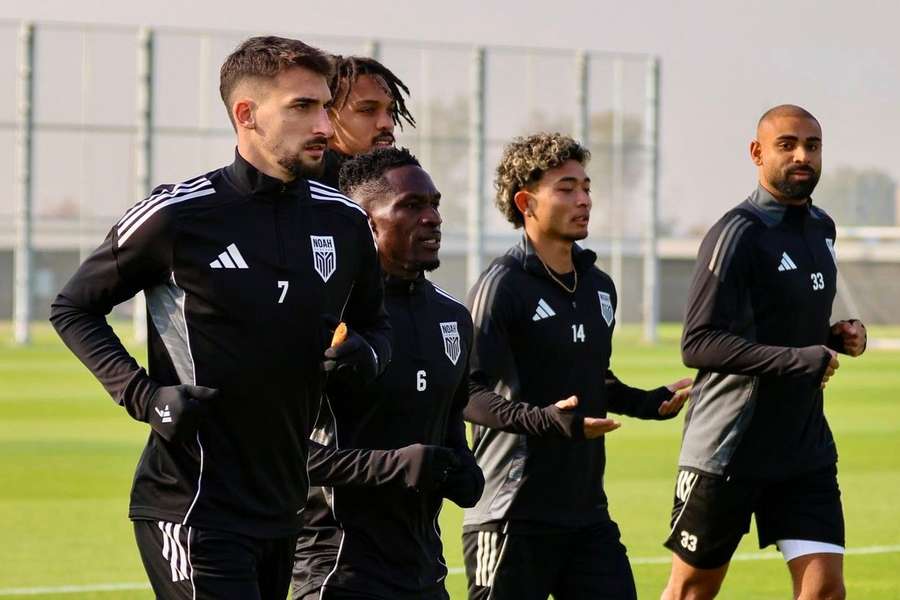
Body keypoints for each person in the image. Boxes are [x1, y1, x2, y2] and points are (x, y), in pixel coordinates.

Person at [49, 36, 391, 600]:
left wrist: (366, 353)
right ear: (246, 115)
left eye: (327, 107)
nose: (325, 126)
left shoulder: (346, 221)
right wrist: (144, 396)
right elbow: (73, 307)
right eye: (302, 107)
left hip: (284, 508)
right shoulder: (178, 214)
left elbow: (377, 326)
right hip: (192, 503)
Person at [461, 132, 693, 600]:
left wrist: (649, 403)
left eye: (586, 187)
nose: (584, 199)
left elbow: (592, 379)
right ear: (526, 201)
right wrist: (544, 421)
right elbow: (467, 392)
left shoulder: (599, 287)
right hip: (511, 514)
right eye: (566, 188)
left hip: (586, 514)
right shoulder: (501, 286)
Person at [660, 105, 867, 600]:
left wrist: (837, 336)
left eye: (812, 146)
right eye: (787, 144)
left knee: (825, 591)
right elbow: (699, 342)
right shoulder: (737, 233)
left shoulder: (823, 228)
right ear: (756, 153)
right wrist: (800, 359)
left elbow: (786, 324)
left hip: (803, 448)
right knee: (692, 591)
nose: (802, 156)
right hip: (729, 447)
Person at [294, 147, 484, 600]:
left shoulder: (453, 318)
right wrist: (393, 466)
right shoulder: (326, 316)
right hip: (337, 574)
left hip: (426, 576)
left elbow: (449, 423)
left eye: (435, 203)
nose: (433, 217)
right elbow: (278, 454)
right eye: (412, 206)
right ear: (365, 222)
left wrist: (463, 468)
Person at [318, 55, 415, 188]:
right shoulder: (309, 191)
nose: (387, 123)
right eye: (368, 110)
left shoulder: (396, 181)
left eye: (390, 111)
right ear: (326, 117)